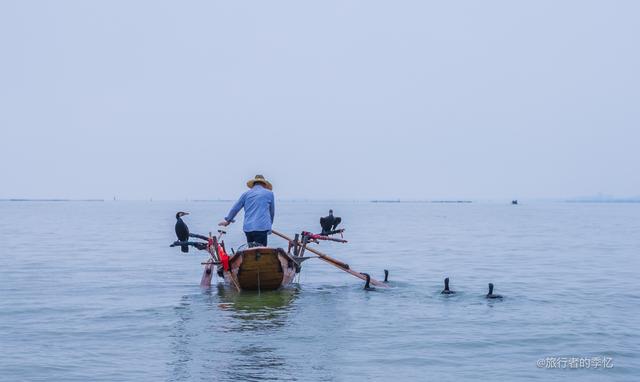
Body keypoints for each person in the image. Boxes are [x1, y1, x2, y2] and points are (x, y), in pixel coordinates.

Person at [219, 174, 275, 247]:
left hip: (248, 229)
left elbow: (235, 208)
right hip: (262, 228)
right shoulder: (269, 194)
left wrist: (228, 221)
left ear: (253, 184)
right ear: (264, 185)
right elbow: (272, 212)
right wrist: (269, 226)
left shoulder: (246, 194)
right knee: (261, 252)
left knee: (251, 251)